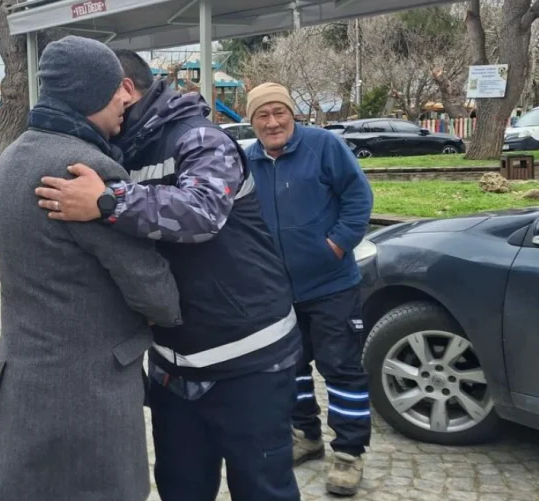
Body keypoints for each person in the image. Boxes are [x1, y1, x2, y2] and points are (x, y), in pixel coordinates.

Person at [35, 49, 302, 501]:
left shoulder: (199, 138)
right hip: (173, 369)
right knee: (180, 487)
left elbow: (203, 212)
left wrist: (108, 203)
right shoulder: (116, 150)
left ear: (123, 88)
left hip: (249, 362)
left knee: (262, 489)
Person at [0, 36, 183, 501]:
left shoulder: (12, 156)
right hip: (87, 396)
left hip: (22, 380)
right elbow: (147, 283)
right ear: (91, 91)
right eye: (117, 86)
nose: (125, 97)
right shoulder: (85, 171)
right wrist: (171, 309)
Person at [244, 82, 374, 497]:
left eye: (279, 112)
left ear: (292, 114)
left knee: (341, 368)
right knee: (290, 369)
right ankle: (306, 435)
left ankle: (350, 453)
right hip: (277, 292)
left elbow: (358, 198)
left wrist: (335, 244)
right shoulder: (246, 161)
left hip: (332, 285)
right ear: (252, 122)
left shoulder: (323, 146)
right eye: (262, 116)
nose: (272, 122)